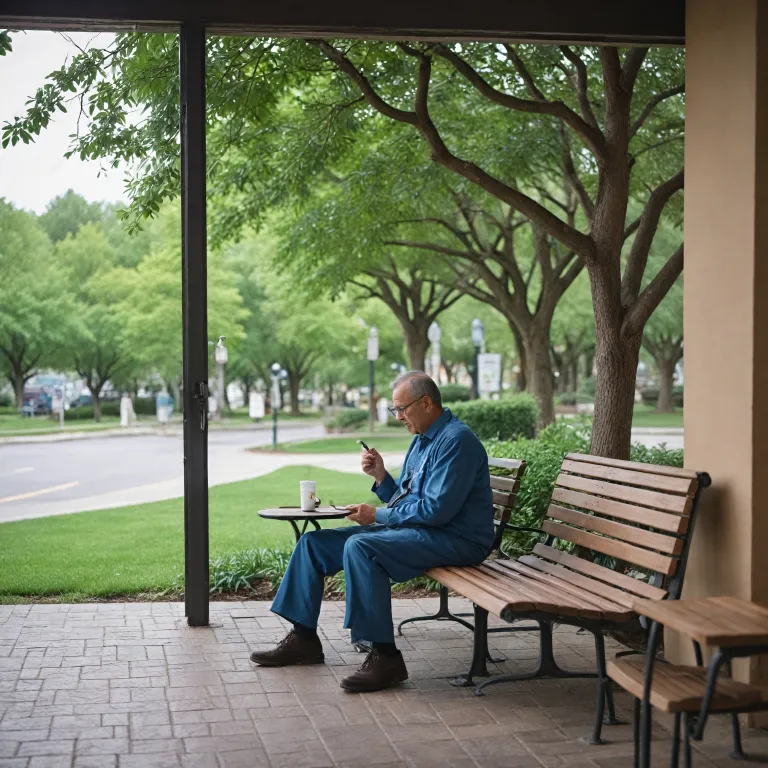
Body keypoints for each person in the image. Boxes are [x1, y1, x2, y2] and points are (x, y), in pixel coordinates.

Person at [249, 371, 494, 692]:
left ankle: (385, 657)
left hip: (457, 539)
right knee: (313, 543)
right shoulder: (422, 440)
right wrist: (381, 477)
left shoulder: (456, 441)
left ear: (426, 403)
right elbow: (405, 500)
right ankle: (304, 639)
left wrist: (376, 515)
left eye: (402, 409)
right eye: (395, 410)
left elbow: (436, 511)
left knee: (362, 548)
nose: (398, 416)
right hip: (425, 530)